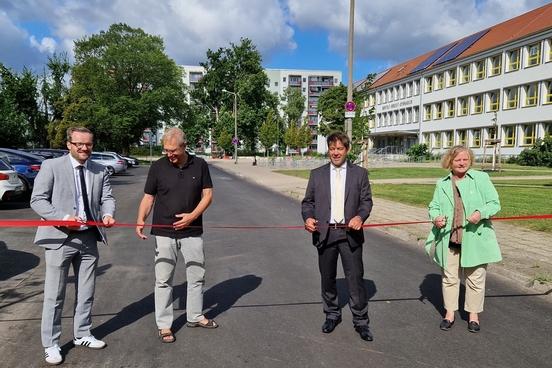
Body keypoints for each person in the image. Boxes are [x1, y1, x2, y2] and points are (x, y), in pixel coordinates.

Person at [30, 127, 116, 365]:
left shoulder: (99, 170)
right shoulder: (52, 167)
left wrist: (108, 214)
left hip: (89, 238)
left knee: (86, 291)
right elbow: (37, 200)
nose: (84, 148)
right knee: (55, 295)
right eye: (79, 144)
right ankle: (51, 343)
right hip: (59, 238)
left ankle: (83, 333)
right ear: (68, 144)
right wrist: (62, 217)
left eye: (88, 144)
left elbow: (107, 198)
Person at [136, 127, 217, 344]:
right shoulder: (158, 167)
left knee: (196, 276)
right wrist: (141, 218)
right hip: (163, 232)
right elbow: (148, 197)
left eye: (173, 150)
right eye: (165, 150)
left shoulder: (199, 165)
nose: (169, 154)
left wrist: (192, 217)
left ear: (184, 146)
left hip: (192, 231)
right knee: (163, 280)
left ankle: (195, 315)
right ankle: (164, 325)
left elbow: (208, 196)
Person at [301, 131, 374, 341]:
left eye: (339, 148)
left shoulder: (360, 174)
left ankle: (361, 321)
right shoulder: (317, 174)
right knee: (328, 278)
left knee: (355, 279)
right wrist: (308, 218)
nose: (335, 153)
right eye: (332, 149)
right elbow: (308, 203)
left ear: (347, 150)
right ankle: (332, 314)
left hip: (350, 234)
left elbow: (366, 201)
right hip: (325, 233)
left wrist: (360, 217)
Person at [425, 145, 502, 333]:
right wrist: (436, 218)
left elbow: (494, 203)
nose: (461, 163)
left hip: (475, 238)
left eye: (465, 159)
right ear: (450, 162)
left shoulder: (481, 179)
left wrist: (480, 212)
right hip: (449, 238)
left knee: (475, 278)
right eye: (457, 160)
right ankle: (449, 314)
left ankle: (473, 316)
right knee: (450, 277)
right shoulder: (442, 183)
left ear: (470, 161)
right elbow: (433, 206)